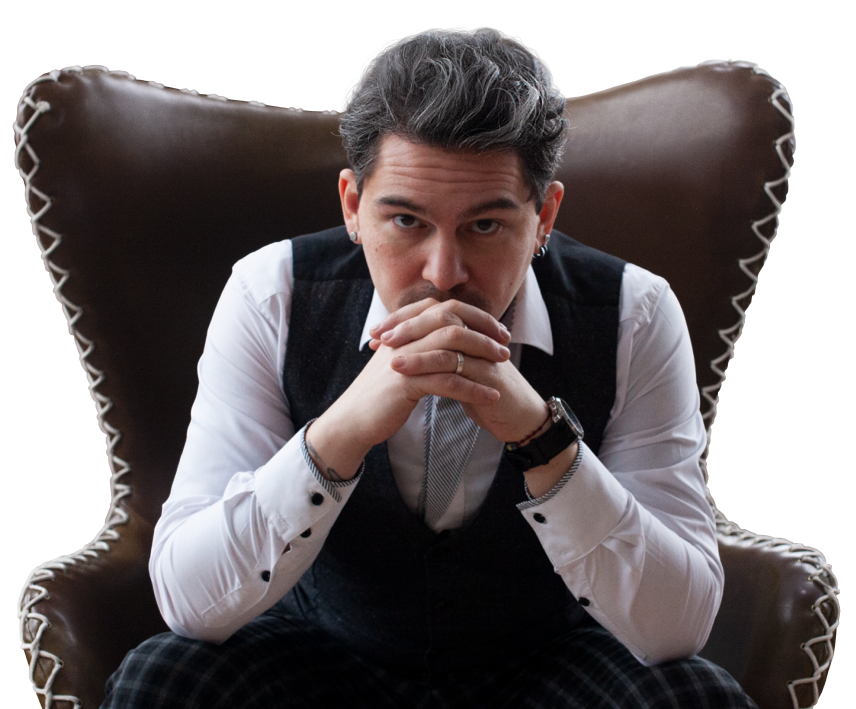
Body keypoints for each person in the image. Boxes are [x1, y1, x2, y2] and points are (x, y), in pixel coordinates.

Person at [102, 26, 757, 708]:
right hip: (323, 655)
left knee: (693, 695)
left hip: (546, 661)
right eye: (407, 221)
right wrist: (339, 434)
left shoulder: (634, 313)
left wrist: (540, 438)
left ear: (543, 217)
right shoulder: (272, 293)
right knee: (164, 678)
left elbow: (678, 627)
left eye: (485, 226)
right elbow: (188, 600)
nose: (443, 275)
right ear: (353, 207)